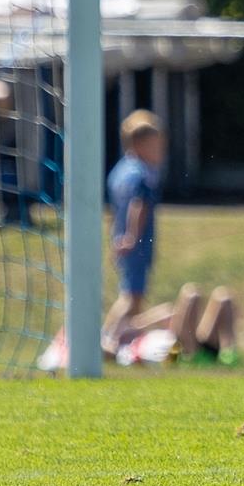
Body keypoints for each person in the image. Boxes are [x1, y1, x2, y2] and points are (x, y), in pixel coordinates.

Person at [37, 282, 239, 371]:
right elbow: (104, 353)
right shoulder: (120, 351)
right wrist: (113, 342)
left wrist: (134, 324)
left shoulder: (128, 333)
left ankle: (229, 354)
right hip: (176, 354)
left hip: (188, 344)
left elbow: (168, 311)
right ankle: (224, 356)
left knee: (223, 297)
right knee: (191, 294)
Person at [100, 110, 164, 352]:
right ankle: (107, 340)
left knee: (132, 295)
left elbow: (113, 209)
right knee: (131, 296)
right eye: (156, 145)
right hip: (135, 242)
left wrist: (116, 237)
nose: (160, 151)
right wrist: (132, 236)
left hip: (120, 238)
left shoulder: (119, 170)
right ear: (140, 144)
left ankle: (118, 344)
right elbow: (139, 205)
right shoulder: (142, 173)